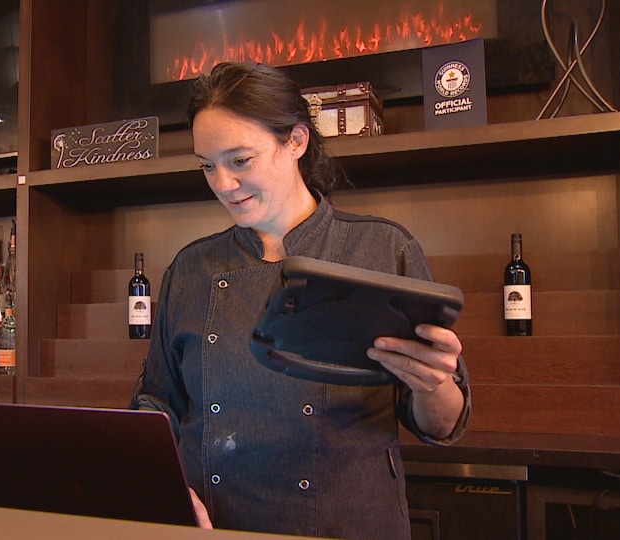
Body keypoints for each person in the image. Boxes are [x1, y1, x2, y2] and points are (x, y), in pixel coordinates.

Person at [130, 61, 471, 539]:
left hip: (347, 524)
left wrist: (434, 383)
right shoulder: (191, 269)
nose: (222, 184)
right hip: (216, 526)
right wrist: (167, 490)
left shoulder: (380, 250)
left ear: (296, 140)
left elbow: (440, 424)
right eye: (207, 165)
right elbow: (156, 402)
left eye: (240, 160)